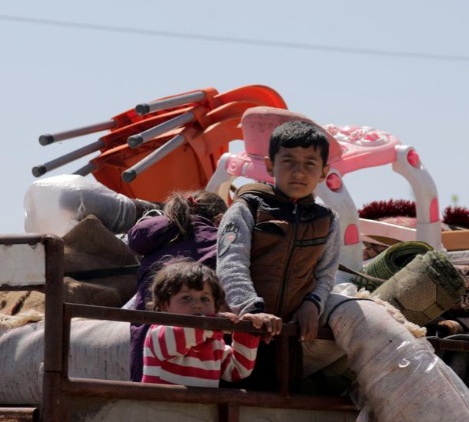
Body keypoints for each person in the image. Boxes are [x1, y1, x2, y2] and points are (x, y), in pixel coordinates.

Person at [216, 120, 341, 389]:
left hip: (288, 338)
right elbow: (231, 263)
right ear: (270, 165)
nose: (299, 171)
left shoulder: (328, 220)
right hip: (239, 334)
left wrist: (313, 304)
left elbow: (326, 273)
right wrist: (251, 311)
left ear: (324, 172)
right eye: (289, 161)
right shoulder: (246, 206)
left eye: (310, 163)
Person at [127, 190, 228, 382]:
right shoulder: (221, 240)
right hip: (199, 347)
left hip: (147, 336)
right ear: (220, 219)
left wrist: (169, 221)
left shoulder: (159, 235)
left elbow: (135, 238)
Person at [142, 259, 272, 387]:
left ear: (216, 306)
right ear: (165, 305)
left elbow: (237, 371)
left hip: (201, 408)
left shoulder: (213, 341)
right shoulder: (159, 331)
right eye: (186, 298)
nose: (197, 305)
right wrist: (213, 324)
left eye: (205, 299)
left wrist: (246, 331)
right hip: (161, 407)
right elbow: (180, 336)